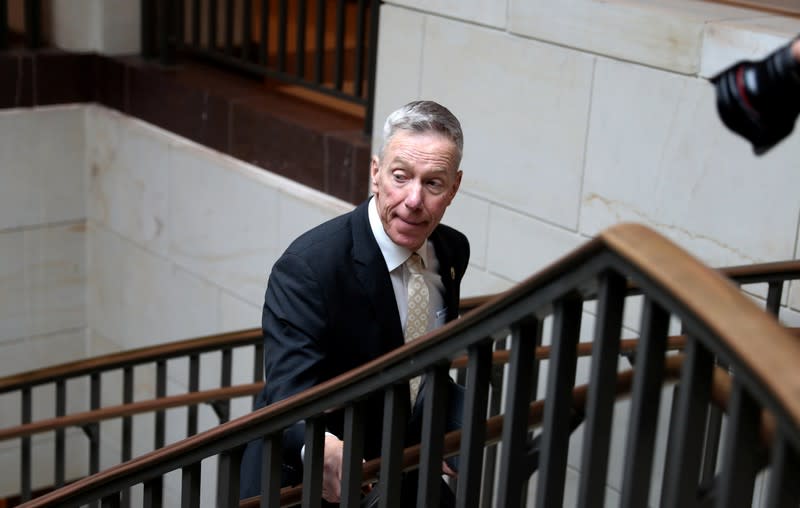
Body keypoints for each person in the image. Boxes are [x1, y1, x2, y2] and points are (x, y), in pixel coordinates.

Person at [239, 100, 470, 506]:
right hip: (305, 484)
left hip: (397, 470)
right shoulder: (310, 267)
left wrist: (457, 417)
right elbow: (286, 392)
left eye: (433, 183)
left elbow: (424, 367)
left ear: (454, 188)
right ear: (376, 173)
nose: (414, 200)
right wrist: (319, 447)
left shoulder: (452, 251)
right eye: (401, 177)